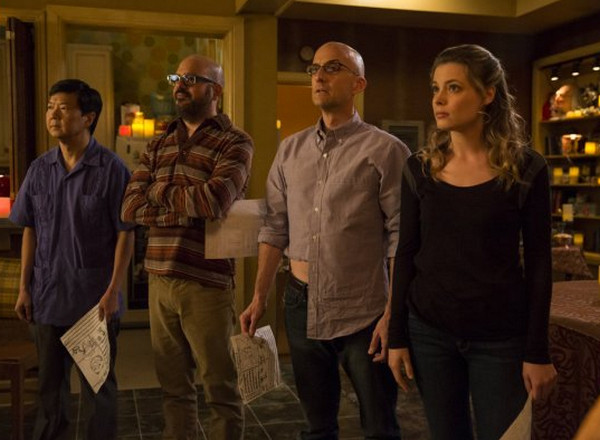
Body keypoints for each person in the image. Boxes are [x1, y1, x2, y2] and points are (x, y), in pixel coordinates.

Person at [240, 41, 409, 439]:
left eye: (332, 68)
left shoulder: (386, 150)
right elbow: (274, 227)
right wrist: (259, 296)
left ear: (358, 84)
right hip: (301, 302)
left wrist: (393, 312)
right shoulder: (290, 150)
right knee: (316, 426)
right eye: (314, 69)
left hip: (366, 308)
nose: (318, 76)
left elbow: (401, 236)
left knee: (380, 426)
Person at [388, 44, 557, 440]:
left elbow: (539, 264)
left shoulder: (526, 168)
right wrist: (397, 336)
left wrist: (537, 351)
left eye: (454, 88)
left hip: (500, 336)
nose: (439, 100)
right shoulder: (419, 168)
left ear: (487, 94)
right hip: (430, 330)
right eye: (435, 88)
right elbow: (406, 252)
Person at [120, 54, 253, 440]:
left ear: (216, 90)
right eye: (176, 78)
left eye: (191, 79)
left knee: (220, 389)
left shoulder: (235, 141)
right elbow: (129, 206)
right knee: (174, 390)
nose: (179, 86)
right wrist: (182, 208)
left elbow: (213, 201)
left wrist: (157, 192)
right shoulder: (160, 141)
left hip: (206, 283)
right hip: (159, 280)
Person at [10, 79, 134, 440]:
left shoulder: (112, 169)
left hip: (94, 301)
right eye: (51, 107)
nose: (53, 115)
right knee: (49, 393)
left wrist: (113, 290)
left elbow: (126, 232)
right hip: (47, 297)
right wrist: (24, 288)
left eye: (63, 108)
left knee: (98, 390)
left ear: (88, 117)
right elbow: (30, 229)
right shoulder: (39, 169)